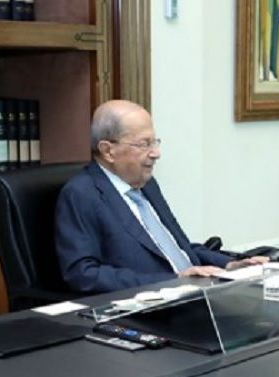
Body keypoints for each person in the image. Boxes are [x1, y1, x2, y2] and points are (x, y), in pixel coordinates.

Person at [55, 99, 265, 293]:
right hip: (148, 306)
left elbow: (180, 248)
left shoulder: (147, 184)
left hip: (197, 295)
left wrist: (229, 265)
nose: (156, 153)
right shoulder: (82, 194)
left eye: (154, 142)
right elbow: (83, 275)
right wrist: (172, 281)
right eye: (144, 144)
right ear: (108, 151)